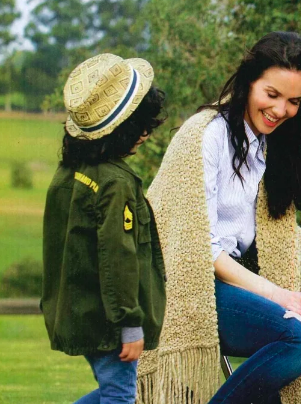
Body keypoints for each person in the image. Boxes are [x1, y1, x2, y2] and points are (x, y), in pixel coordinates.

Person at [137, 32, 301, 404]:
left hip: (239, 276)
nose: (280, 110)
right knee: (300, 339)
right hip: (186, 283)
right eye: (272, 94)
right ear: (248, 82)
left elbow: (270, 237)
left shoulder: (269, 143)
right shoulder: (206, 136)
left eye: (293, 101)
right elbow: (198, 247)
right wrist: (279, 295)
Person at [41, 53, 166, 404]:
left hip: (79, 311)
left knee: (113, 393)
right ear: (123, 130)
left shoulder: (69, 174)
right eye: (140, 125)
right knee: (120, 396)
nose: (146, 133)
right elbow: (118, 256)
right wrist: (129, 323)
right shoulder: (115, 182)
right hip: (109, 320)